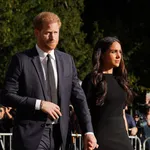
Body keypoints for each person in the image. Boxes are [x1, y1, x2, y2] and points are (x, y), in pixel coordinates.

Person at [2, 12, 98, 150]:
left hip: (61, 135)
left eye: (56, 32)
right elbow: (6, 96)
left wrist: (88, 131)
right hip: (31, 136)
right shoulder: (21, 60)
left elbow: (79, 98)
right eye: (48, 33)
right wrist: (39, 104)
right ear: (37, 32)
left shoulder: (67, 60)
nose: (53, 37)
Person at [82, 36, 134, 150]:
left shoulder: (121, 81)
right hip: (101, 140)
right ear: (102, 54)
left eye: (120, 52)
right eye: (113, 52)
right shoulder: (92, 80)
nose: (118, 56)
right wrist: (87, 135)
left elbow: (122, 114)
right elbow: (83, 112)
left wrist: (126, 137)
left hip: (123, 140)